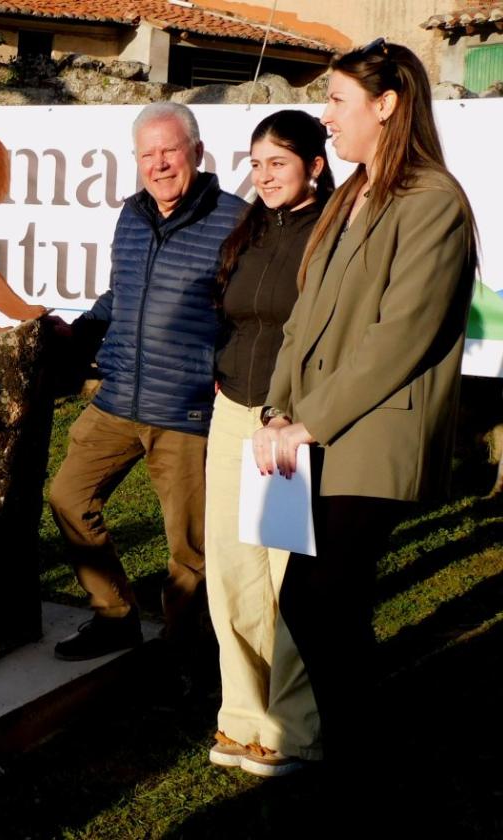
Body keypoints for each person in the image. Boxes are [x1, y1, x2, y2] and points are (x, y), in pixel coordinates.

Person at [251, 40, 478, 766]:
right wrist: (279, 408)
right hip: (314, 432)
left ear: (386, 106)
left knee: (321, 604)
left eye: (339, 101)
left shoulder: (433, 202)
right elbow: (306, 313)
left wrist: (310, 419)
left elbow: (399, 336)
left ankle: (362, 760)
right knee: (313, 607)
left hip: (372, 438)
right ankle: (359, 752)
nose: (327, 116)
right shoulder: (349, 196)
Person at [48, 102, 246, 661]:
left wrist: (224, 374)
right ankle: (114, 617)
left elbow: (248, 313)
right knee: (68, 497)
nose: (159, 164)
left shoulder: (235, 221)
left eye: (170, 151)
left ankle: (181, 654)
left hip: (185, 411)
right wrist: (83, 331)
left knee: (190, 548)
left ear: (197, 154)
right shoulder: (132, 216)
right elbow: (123, 293)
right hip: (117, 399)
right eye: (147, 155)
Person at [204, 110, 333, 777]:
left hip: (292, 419)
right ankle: (242, 717)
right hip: (232, 413)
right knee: (231, 572)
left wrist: (295, 417)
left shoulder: (336, 231)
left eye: (278, 162)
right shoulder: (248, 229)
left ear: (314, 164)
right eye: (256, 164)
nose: (265, 176)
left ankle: (294, 725)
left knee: (285, 576)